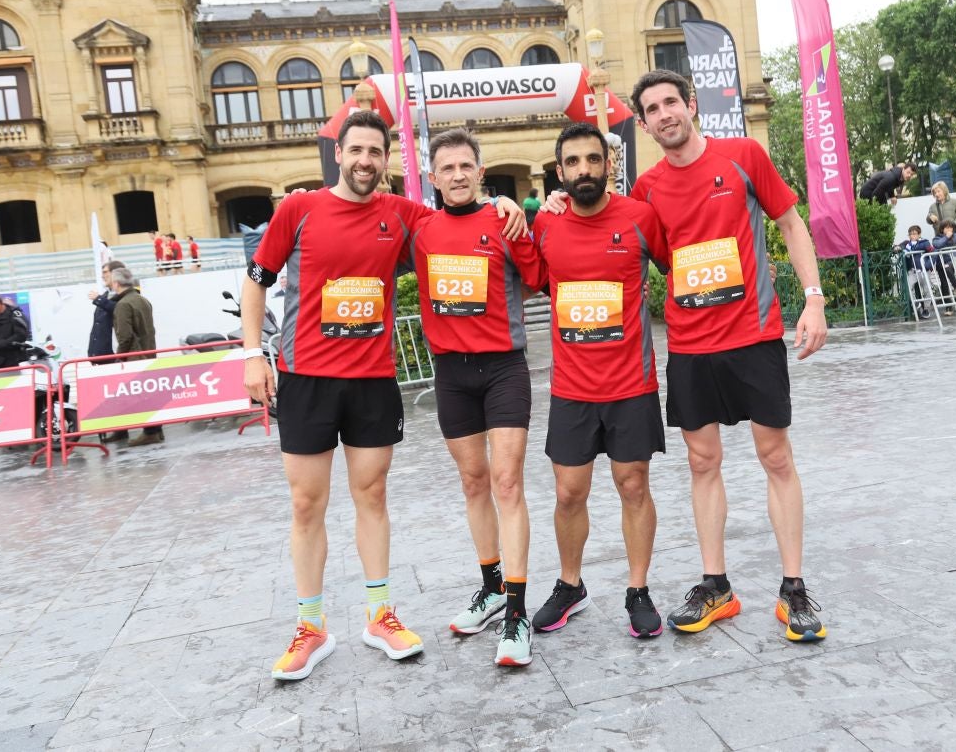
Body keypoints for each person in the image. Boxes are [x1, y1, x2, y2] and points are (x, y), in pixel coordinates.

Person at [239, 109, 524, 682]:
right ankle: (310, 626)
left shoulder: (402, 216)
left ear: (387, 160)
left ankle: (379, 615)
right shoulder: (298, 209)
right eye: (357, 151)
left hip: (372, 380)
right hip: (307, 378)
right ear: (339, 155)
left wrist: (507, 204)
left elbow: (459, 214)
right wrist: (251, 354)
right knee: (305, 504)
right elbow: (257, 277)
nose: (366, 160)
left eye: (377, 152)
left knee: (372, 496)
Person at [629, 69, 829, 643]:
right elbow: (628, 244)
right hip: (691, 345)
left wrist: (813, 301)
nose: (665, 114)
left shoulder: (743, 155)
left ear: (690, 105)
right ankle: (716, 585)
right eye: (653, 109)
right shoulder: (645, 190)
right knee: (701, 462)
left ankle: (794, 589)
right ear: (643, 124)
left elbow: (791, 223)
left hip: (754, 336)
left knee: (775, 456)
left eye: (672, 102)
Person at [409, 127, 546, 667]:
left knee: (507, 482)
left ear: (480, 172)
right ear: (434, 177)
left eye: (466, 166)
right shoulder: (421, 230)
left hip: (503, 368)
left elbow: (537, 278)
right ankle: (490, 585)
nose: (458, 175)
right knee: (473, 482)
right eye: (447, 168)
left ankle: (516, 612)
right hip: (451, 373)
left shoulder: (505, 220)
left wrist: (519, 218)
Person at [529, 122, 670, 642]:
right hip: (571, 387)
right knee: (568, 493)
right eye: (573, 162)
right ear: (559, 170)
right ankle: (570, 586)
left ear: (609, 164)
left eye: (594, 159)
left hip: (632, 383)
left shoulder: (639, 218)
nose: (584, 169)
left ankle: (637, 589)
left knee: (632, 485)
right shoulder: (545, 225)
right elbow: (520, 274)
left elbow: (675, 266)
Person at [109, 267, 164, 447]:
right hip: (149, 352)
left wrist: (120, 357)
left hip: (135, 358)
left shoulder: (123, 305)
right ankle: (157, 430)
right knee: (151, 395)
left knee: (141, 397)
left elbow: (125, 336)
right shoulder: (143, 300)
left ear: (116, 283)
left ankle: (150, 432)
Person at [88, 260, 130, 442]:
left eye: (105, 272)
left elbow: (119, 312)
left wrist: (99, 300)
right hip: (102, 354)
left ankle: (127, 429)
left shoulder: (123, 296)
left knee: (120, 395)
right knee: (112, 397)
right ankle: (120, 429)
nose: (103, 275)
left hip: (113, 354)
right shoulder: (107, 295)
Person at [898, 226, 934, 319]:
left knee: (927, 289)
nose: (912, 236)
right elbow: (900, 246)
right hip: (913, 271)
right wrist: (897, 247)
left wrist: (914, 246)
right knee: (909, 287)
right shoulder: (907, 244)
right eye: (910, 234)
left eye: (914, 234)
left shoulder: (924, 242)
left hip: (924, 271)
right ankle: (916, 303)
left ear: (919, 234)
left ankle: (926, 308)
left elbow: (929, 248)